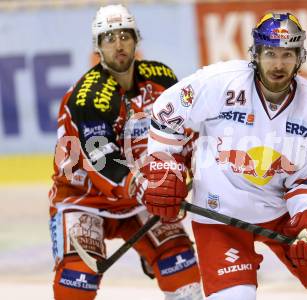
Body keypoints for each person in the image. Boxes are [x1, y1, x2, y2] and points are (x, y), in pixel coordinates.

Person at [139, 12, 307, 299]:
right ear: (256, 53)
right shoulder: (220, 82)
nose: (278, 64)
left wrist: (306, 216)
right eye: (270, 53)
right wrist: (165, 164)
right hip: (220, 213)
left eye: (287, 54)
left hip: (283, 212)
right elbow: (166, 112)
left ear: (300, 57)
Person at [48, 4, 202, 300]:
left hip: (142, 198)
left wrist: (183, 176)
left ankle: (158, 253)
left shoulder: (161, 78)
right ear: (98, 47)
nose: (118, 45)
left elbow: (186, 133)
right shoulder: (88, 96)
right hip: (86, 199)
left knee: (183, 272)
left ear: (136, 39)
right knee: (75, 282)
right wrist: (145, 186)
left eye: (124, 36)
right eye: (109, 38)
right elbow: (101, 156)